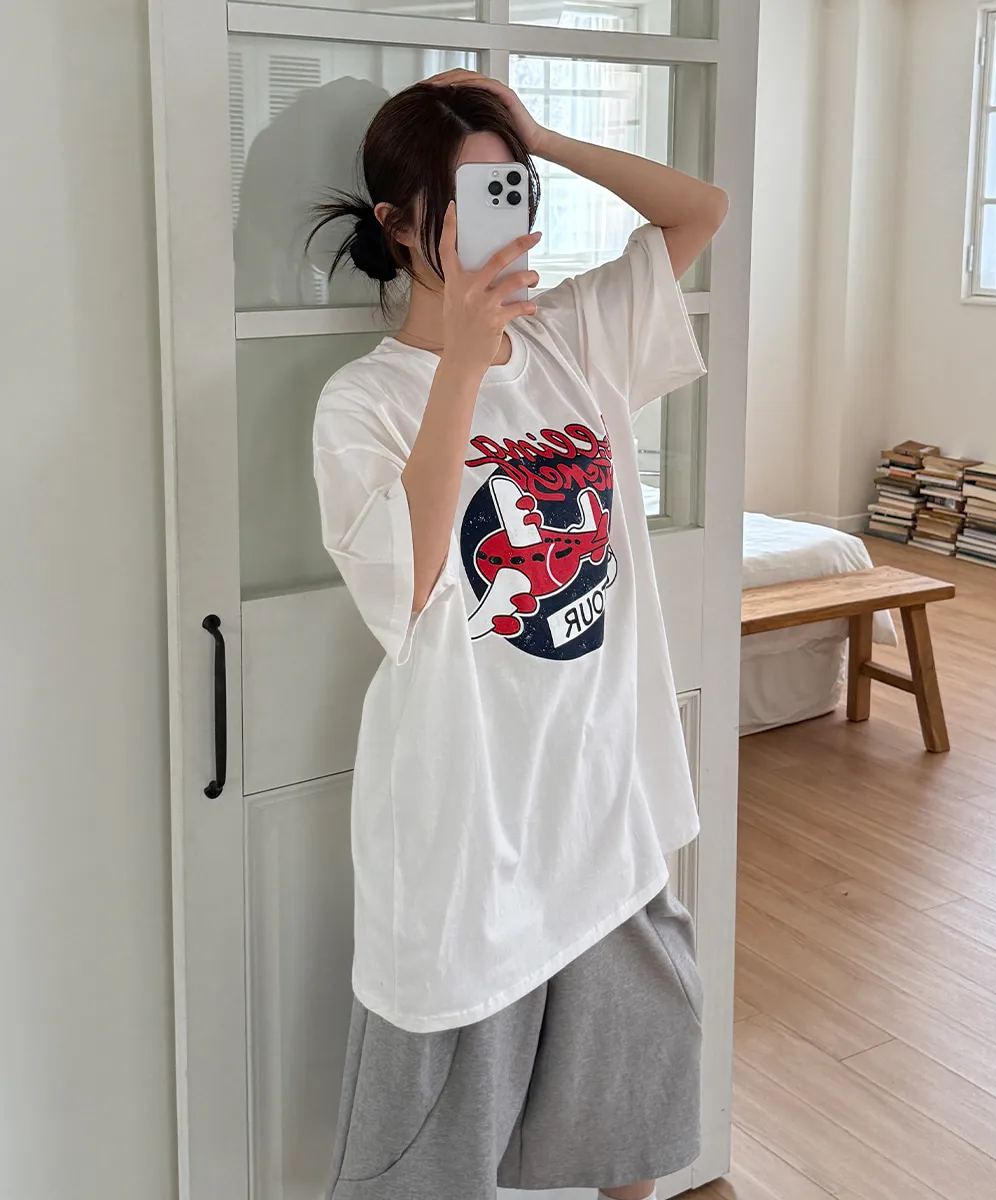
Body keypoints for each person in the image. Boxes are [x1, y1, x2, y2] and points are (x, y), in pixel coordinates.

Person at [312, 70, 728, 1200]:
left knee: (634, 1121)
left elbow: (699, 211)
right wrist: (460, 356)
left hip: (602, 799)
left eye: (513, 191)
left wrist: (539, 134)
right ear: (400, 224)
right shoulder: (362, 403)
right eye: (468, 199)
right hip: (470, 822)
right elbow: (409, 587)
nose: (502, 218)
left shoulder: (573, 340)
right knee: (431, 1162)